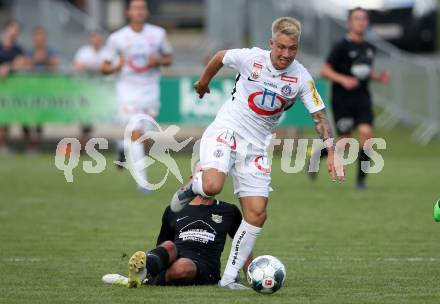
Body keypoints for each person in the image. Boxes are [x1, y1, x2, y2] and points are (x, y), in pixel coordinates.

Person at [170, 17, 344, 290]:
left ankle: (229, 279)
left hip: (256, 146)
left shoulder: (301, 77)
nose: (287, 54)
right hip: (226, 131)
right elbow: (219, 57)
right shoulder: (251, 59)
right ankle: (194, 184)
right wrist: (203, 83)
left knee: (257, 213)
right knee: (213, 186)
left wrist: (332, 152)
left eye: (293, 49)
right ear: (271, 43)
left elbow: (319, 116)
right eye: (282, 47)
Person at [102, 163, 252, 287]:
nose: (208, 180)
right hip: (176, 258)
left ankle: (143, 280)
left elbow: (243, 243)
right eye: (203, 175)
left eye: (213, 176)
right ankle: (142, 274)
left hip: (205, 267)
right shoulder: (174, 209)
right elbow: (162, 245)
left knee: (183, 267)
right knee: (168, 245)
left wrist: (251, 276)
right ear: (192, 180)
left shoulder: (228, 211)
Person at [101, 0, 172, 192]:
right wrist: (116, 66)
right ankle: (143, 183)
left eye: (142, 8)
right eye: (135, 8)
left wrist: (158, 59)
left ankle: (122, 146)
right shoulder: (117, 38)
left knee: (144, 138)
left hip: (150, 90)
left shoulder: (158, 34)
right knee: (136, 134)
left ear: (146, 12)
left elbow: (168, 58)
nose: (139, 11)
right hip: (128, 91)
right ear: (128, 12)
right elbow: (104, 67)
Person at [320, 7, 390, 190]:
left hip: (362, 98)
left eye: (364, 18)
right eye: (357, 18)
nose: (361, 21)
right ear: (350, 22)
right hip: (342, 99)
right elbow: (325, 70)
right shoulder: (341, 46)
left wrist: (378, 77)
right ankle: (320, 155)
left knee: (366, 135)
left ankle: (360, 181)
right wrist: (343, 79)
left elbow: (363, 72)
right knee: (345, 143)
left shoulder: (369, 48)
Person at [23, 26, 60, 152]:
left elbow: (55, 63)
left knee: (39, 118)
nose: (39, 40)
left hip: (44, 89)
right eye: (37, 37)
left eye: (42, 38)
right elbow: (25, 64)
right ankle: (29, 144)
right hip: (29, 89)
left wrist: (42, 60)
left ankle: (36, 144)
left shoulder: (50, 51)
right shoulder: (29, 51)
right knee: (24, 116)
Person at [73, 31, 108, 150]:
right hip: (86, 89)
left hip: (104, 91)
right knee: (85, 118)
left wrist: (89, 67)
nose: (96, 41)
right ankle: (83, 144)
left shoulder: (107, 52)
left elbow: (109, 68)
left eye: (98, 38)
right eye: (94, 38)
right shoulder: (83, 51)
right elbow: (77, 66)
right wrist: (97, 68)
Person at [0, 20, 29, 154]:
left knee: (6, 118)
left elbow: (25, 63)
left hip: (11, 89)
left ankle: (4, 146)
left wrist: (9, 67)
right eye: (13, 28)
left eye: (17, 29)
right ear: (7, 29)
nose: (16, 32)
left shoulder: (18, 49)